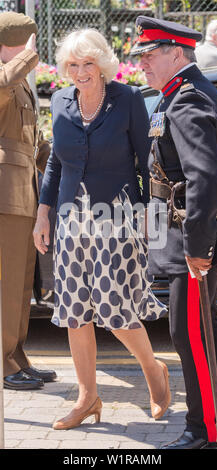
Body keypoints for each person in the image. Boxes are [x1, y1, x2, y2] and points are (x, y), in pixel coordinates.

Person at [33, 28, 170, 431]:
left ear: (102, 63)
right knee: (74, 312)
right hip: (71, 220)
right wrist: (44, 214)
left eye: (87, 63)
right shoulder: (60, 101)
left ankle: (154, 371)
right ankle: (87, 396)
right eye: (72, 65)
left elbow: (147, 160)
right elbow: (56, 163)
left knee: (114, 309)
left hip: (118, 217)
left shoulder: (126, 99)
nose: (79, 72)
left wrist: (149, 212)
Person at [131, 16, 217, 449]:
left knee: (190, 336)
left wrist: (197, 247)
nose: (143, 66)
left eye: (150, 56)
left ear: (177, 53)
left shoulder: (187, 101)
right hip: (183, 237)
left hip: (191, 243)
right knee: (204, 333)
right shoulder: (180, 95)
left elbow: (204, 179)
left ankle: (204, 428)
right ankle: (216, 416)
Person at [0, 12, 56, 390]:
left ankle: (15, 357)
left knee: (20, 286)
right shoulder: (9, 77)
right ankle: (4, 366)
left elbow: (29, 142)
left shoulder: (20, 84)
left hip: (23, 193)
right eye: (28, 42)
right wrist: (26, 59)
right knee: (6, 284)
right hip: (5, 197)